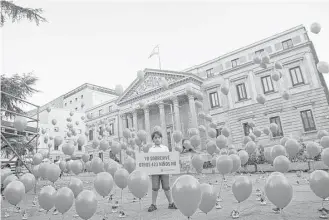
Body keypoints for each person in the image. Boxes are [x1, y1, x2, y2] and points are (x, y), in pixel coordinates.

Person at [148, 131, 177, 212]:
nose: (157, 139)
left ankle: (171, 203)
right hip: (154, 172)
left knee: (167, 187)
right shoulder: (151, 150)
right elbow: (149, 161)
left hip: (165, 171)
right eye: (155, 138)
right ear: (153, 140)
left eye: (159, 137)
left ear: (161, 139)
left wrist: (170, 171)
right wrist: (149, 172)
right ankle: (153, 204)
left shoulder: (165, 148)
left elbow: (169, 159)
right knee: (155, 188)